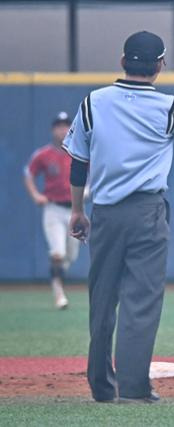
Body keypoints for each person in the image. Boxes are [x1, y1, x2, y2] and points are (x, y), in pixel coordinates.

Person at [63, 31, 174, 403]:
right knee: (141, 301)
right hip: (147, 213)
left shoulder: (93, 102)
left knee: (102, 299)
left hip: (106, 214)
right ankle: (133, 388)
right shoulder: (170, 106)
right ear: (160, 66)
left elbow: (79, 162)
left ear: (122, 61)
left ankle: (101, 386)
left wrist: (78, 210)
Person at [24, 112, 79, 310]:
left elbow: (94, 174)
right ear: (52, 130)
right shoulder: (43, 154)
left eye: (66, 126)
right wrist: (36, 195)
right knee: (58, 253)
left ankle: (57, 277)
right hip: (53, 209)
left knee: (70, 256)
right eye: (59, 126)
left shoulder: (78, 150)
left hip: (75, 210)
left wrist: (89, 190)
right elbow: (28, 174)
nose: (62, 130)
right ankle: (59, 294)